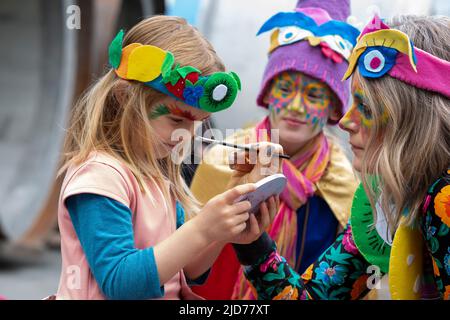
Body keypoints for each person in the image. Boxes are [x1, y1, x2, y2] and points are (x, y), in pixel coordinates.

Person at [53, 16, 280, 300]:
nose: (187, 135)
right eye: (176, 120)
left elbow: (185, 269)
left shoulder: (159, 177)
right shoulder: (99, 178)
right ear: (125, 98)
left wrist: (222, 231)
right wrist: (201, 228)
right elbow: (121, 283)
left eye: (197, 124)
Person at [232, 14, 450, 300]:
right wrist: (254, 244)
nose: (346, 121)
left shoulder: (444, 198)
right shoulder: (384, 201)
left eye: (367, 108)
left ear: (414, 120)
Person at [190, 0, 361, 299]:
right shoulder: (223, 162)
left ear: (334, 107)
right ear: (268, 93)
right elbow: (188, 265)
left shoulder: (345, 184)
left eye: (314, 94)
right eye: (284, 89)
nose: (296, 106)